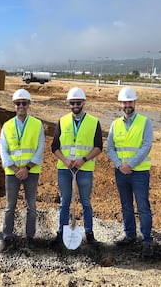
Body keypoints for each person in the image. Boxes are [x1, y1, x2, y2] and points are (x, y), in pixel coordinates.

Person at [50, 87, 103, 247]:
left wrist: (84, 159)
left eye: (78, 102)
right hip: (65, 168)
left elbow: (99, 146)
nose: (75, 105)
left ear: (83, 103)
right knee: (65, 201)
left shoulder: (94, 122)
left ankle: (89, 234)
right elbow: (54, 147)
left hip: (84, 169)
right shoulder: (62, 121)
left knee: (85, 202)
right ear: (69, 104)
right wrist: (65, 160)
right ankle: (61, 233)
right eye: (72, 103)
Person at [107, 86, 154, 258]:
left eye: (130, 101)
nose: (128, 104)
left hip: (139, 173)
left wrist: (131, 165)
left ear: (134, 102)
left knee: (143, 207)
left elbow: (146, 146)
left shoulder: (145, 122)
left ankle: (147, 240)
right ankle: (130, 235)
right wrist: (120, 164)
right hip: (121, 172)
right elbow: (110, 147)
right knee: (126, 206)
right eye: (125, 102)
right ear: (121, 104)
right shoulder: (115, 124)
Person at [0, 89, 45, 252]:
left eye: (24, 103)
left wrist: (26, 168)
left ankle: (30, 238)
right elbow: (3, 152)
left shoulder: (37, 124)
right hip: (12, 173)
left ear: (28, 105)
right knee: (10, 206)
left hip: (31, 172)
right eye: (18, 103)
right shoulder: (7, 126)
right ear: (14, 105)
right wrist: (15, 169)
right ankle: (7, 237)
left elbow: (40, 149)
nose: (21, 106)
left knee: (31, 205)